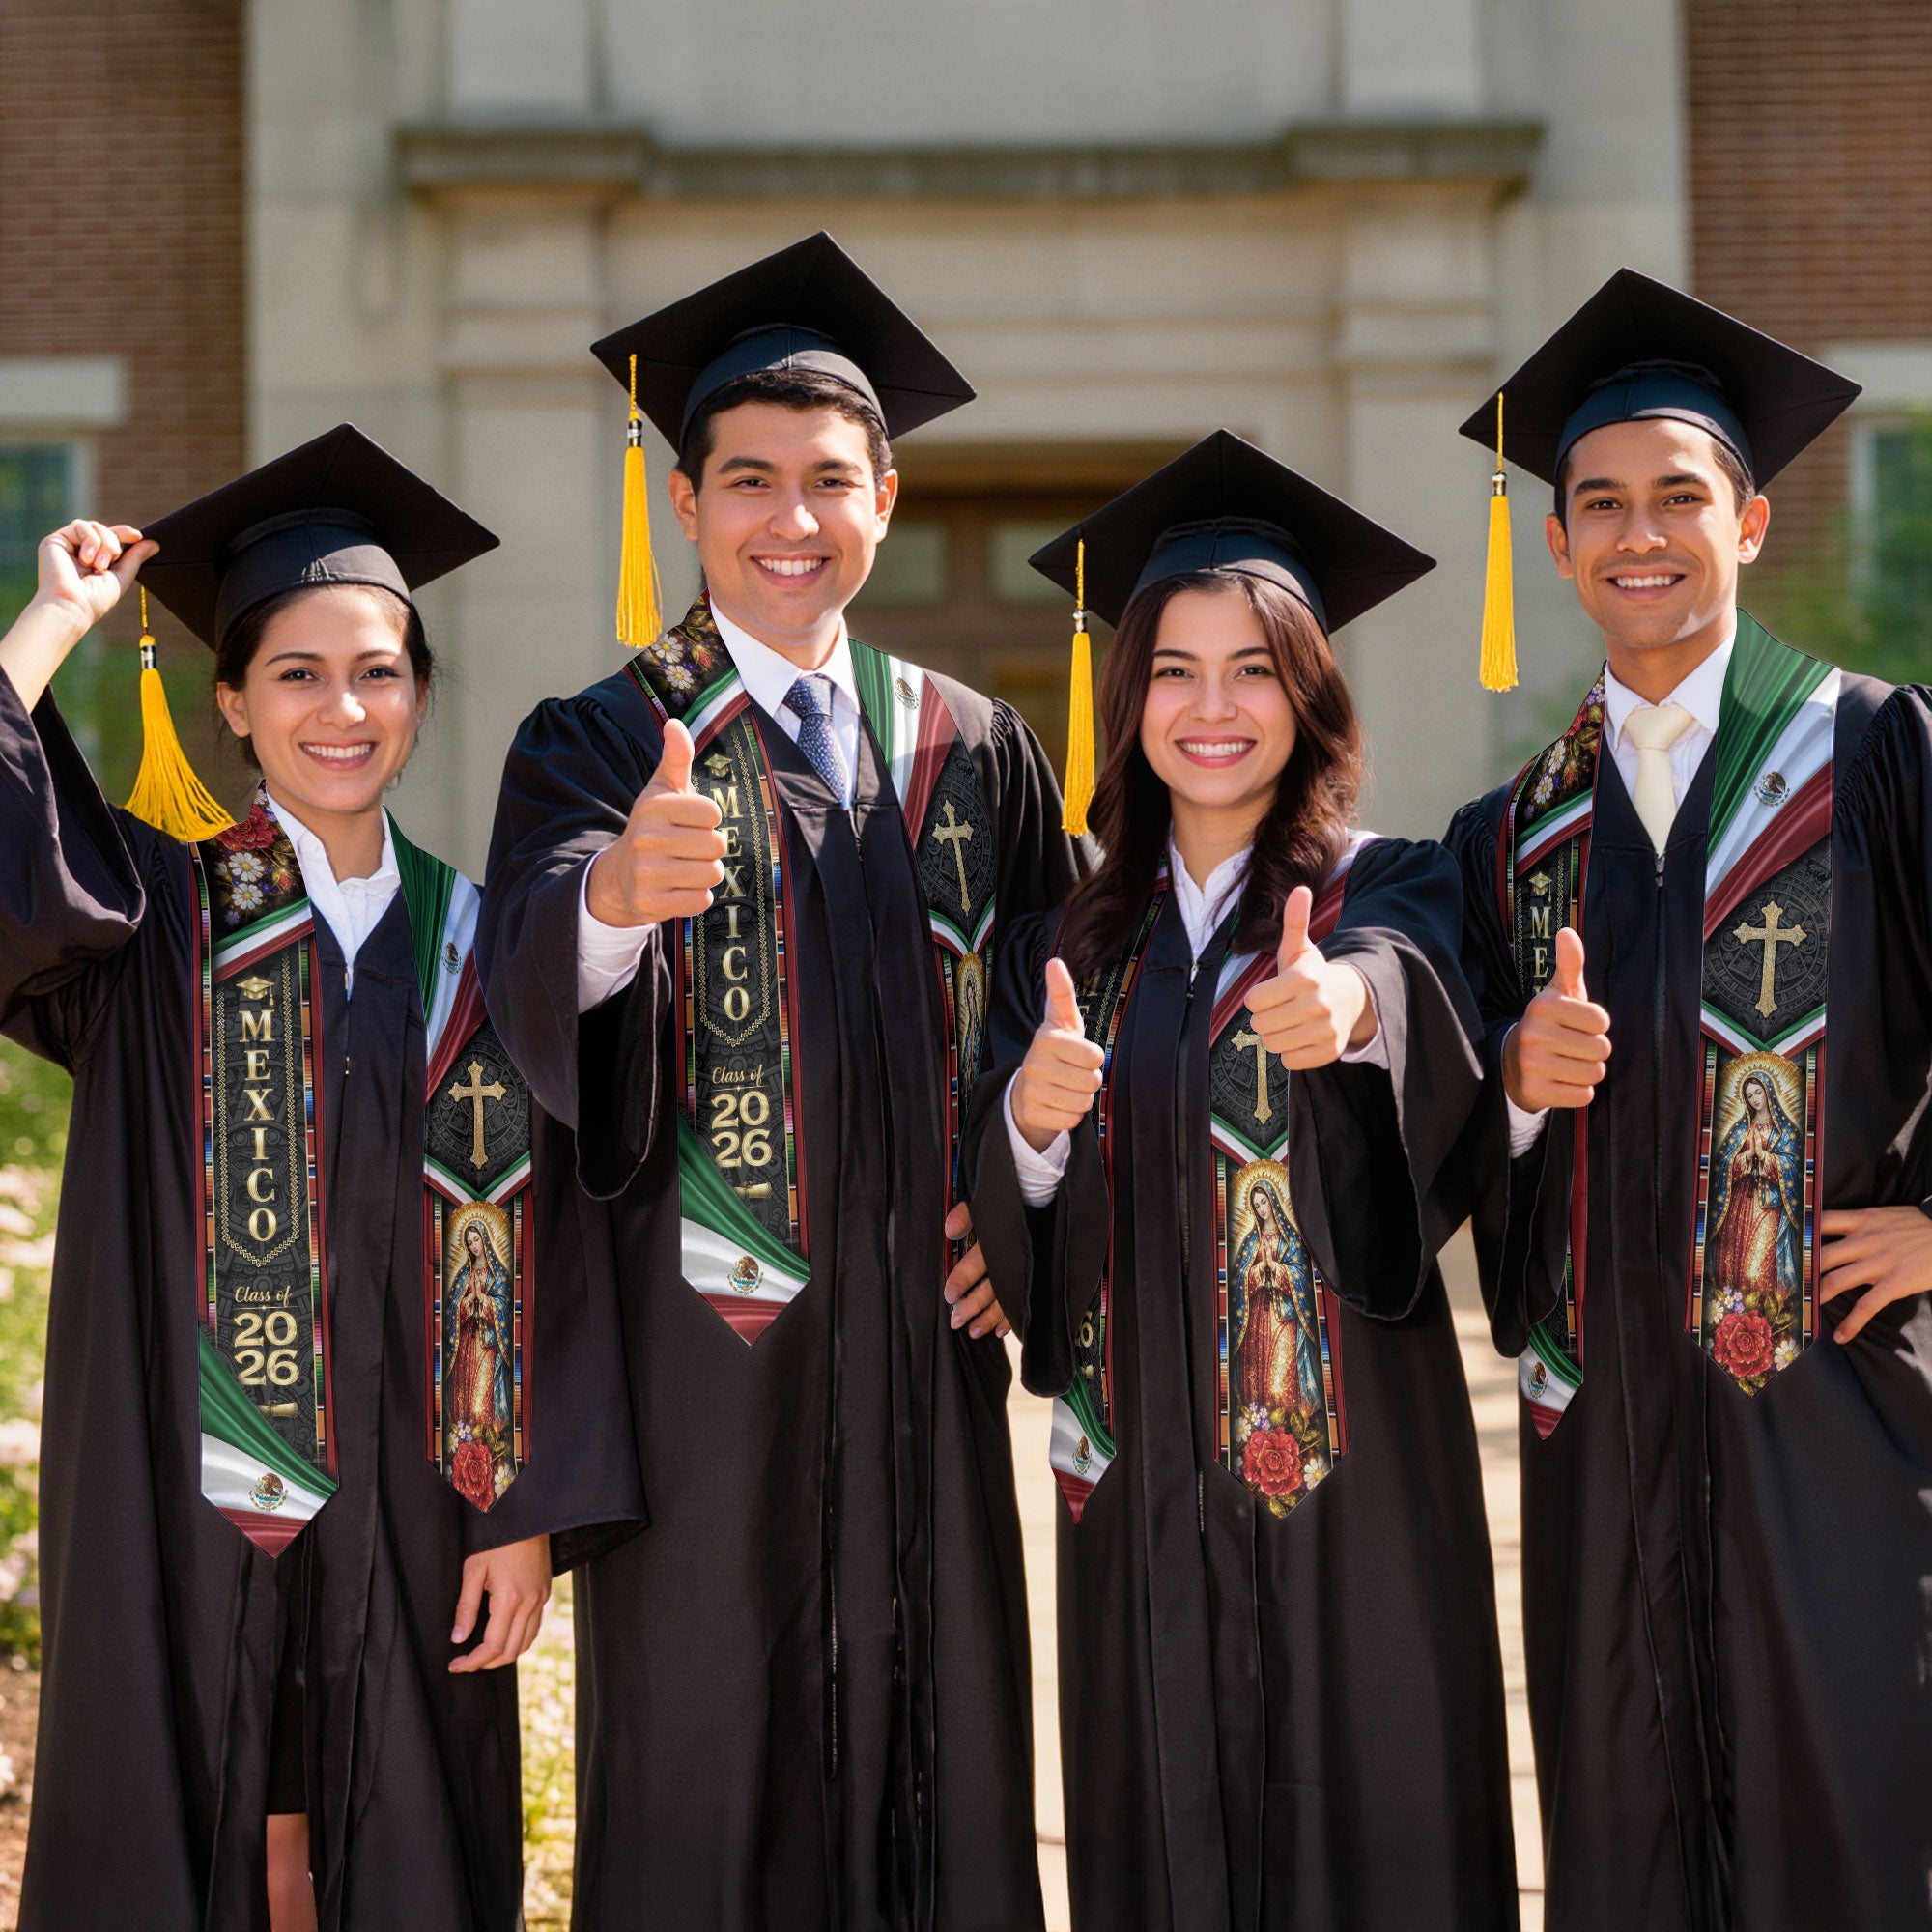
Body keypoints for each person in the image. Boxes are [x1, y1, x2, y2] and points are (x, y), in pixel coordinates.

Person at [478, 233, 1084, 1930]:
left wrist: (1022, 1208)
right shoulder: (600, 739)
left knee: (943, 1760)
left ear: (886, 497)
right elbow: (525, 982)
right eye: (749, 482)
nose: (791, 520)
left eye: (831, 481)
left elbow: (1074, 1012)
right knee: (710, 1776)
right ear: (686, 504)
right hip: (708, 1373)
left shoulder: (977, 744)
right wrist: (609, 900)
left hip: (927, 1363)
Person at [0, 426, 640, 1932]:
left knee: (406, 1836)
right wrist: (50, 625)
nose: (340, 708)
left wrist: (527, 1507)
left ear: (420, 694)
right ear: (231, 701)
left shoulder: (494, 942)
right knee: (194, 1812)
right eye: (295, 673)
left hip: (430, 1497)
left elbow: (567, 1244)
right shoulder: (153, 921)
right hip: (183, 1484)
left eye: (378, 671)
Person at [964, 432, 1518, 1930]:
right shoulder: (1063, 945)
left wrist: (1347, 1014)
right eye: (1175, 671)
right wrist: (1027, 1117)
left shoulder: (1390, 885)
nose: (1214, 709)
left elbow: (1414, 994)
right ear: (1126, 696)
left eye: (1256, 668)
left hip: (1357, 1486)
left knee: (1378, 1829)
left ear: (1311, 693)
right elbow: (1013, 1217)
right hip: (1138, 1477)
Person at [1445, 270, 1932, 1930]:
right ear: (1561, 542)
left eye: (1678, 497)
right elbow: (1439, 1133)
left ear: (1752, 522)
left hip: (1838, 1415)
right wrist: (1510, 1087)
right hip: (1603, 1435)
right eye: (1599, 504)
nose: (1637, 534)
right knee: (1624, 1832)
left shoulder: (1874, 756)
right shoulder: (1513, 836)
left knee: (1854, 1817)